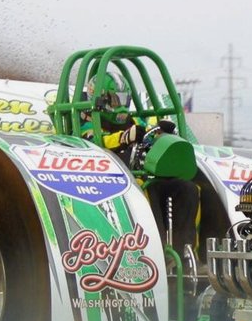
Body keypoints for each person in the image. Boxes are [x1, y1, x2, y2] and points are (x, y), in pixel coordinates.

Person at [80, 78, 201, 258]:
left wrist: (161, 134)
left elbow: (145, 133)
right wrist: (123, 138)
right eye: (114, 100)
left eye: (123, 99)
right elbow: (88, 141)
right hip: (105, 180)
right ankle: (155, 253)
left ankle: (185, 253)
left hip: (143, 175)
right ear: (101, 100)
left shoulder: (132, 120)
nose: (119, 105)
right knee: (143, 188)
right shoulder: (87, 120)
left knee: (187, 188)